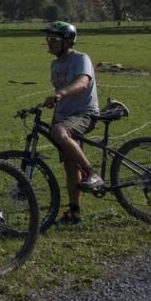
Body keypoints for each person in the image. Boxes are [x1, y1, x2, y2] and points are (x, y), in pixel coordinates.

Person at [41, 20, 101, 225]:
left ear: (68, 41)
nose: (49, 43)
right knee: (69, 165)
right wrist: (55, 118)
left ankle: (92, 174)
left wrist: (60, 93)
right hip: (65, 118)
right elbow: (61, 99)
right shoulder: (55, 64)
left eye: (54, 39)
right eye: (48, 39)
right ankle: (75, 213)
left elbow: (83, 82)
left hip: (84, 114)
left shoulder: (81, 59)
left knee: (59, 133)